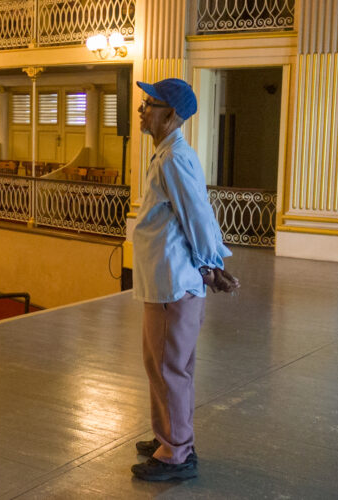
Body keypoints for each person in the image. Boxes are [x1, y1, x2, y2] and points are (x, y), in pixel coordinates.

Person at [130, 78, 240, 482]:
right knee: (166, 365)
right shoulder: (170, 153)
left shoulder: (174, 157)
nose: (142, 110)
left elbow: (197, 215)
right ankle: (171, 435)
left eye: (150, 104)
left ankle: (175, 451)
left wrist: (212, 263)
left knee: (166, 366)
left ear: (171, 114)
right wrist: (211, 266)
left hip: (172, 282)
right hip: (169, 280)